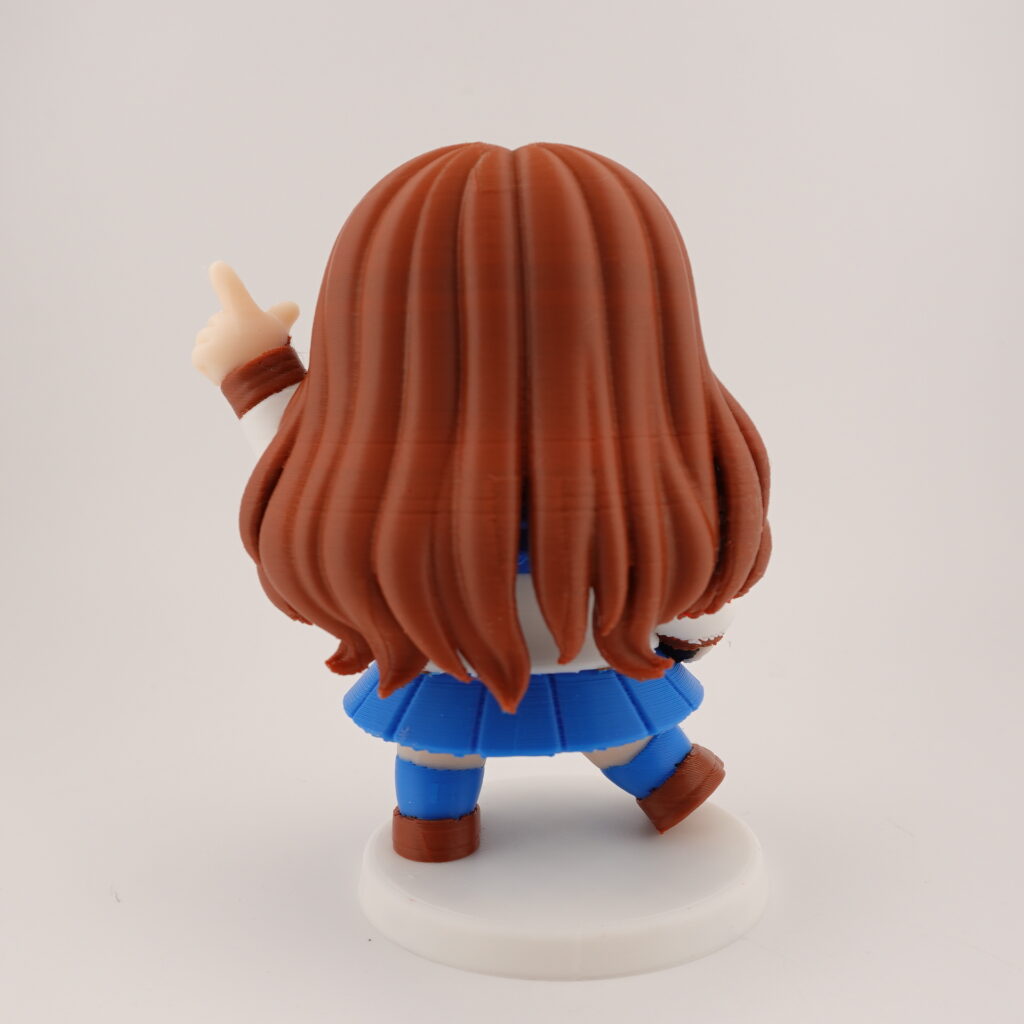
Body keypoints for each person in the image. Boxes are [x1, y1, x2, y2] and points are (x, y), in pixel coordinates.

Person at [193, 142, 771, 862]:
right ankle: (653, 788)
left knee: (453, 751)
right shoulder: (646, 472)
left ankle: (444, 830)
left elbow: (306, 461)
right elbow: (694, 570)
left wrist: (254, 374)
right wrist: (694, 630)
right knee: (605, 736)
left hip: (493, 667)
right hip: (541, 661)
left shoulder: (639, 472)